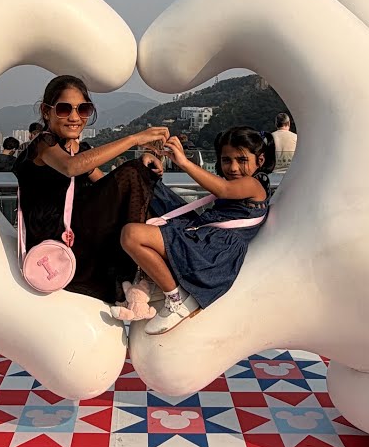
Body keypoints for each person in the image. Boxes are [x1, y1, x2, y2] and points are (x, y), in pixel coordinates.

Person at [14, 75, 170, 303]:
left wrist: (144, 163)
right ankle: (143, 273)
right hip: (55, 241)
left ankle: (151, 267)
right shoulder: (43, 145)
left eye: (83, 109)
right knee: (132, 172)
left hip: (80, 236)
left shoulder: (81, 150)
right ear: (46, 111)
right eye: (65, 109)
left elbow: (108, 186)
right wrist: (134, 140)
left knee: (136, 176)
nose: (75, 117)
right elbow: (71, 167)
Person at [120, 127, 273, 335]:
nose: (233, 167)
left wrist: (183, 162)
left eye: (242, 160)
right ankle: (154, 281)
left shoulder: (253, 185)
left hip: (212, 250)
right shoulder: (243, 183)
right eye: (226, 160)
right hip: (206, 237)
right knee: (147, 190)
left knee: (131, 235)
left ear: (260, 161)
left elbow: (223, 190)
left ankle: (175, 298)